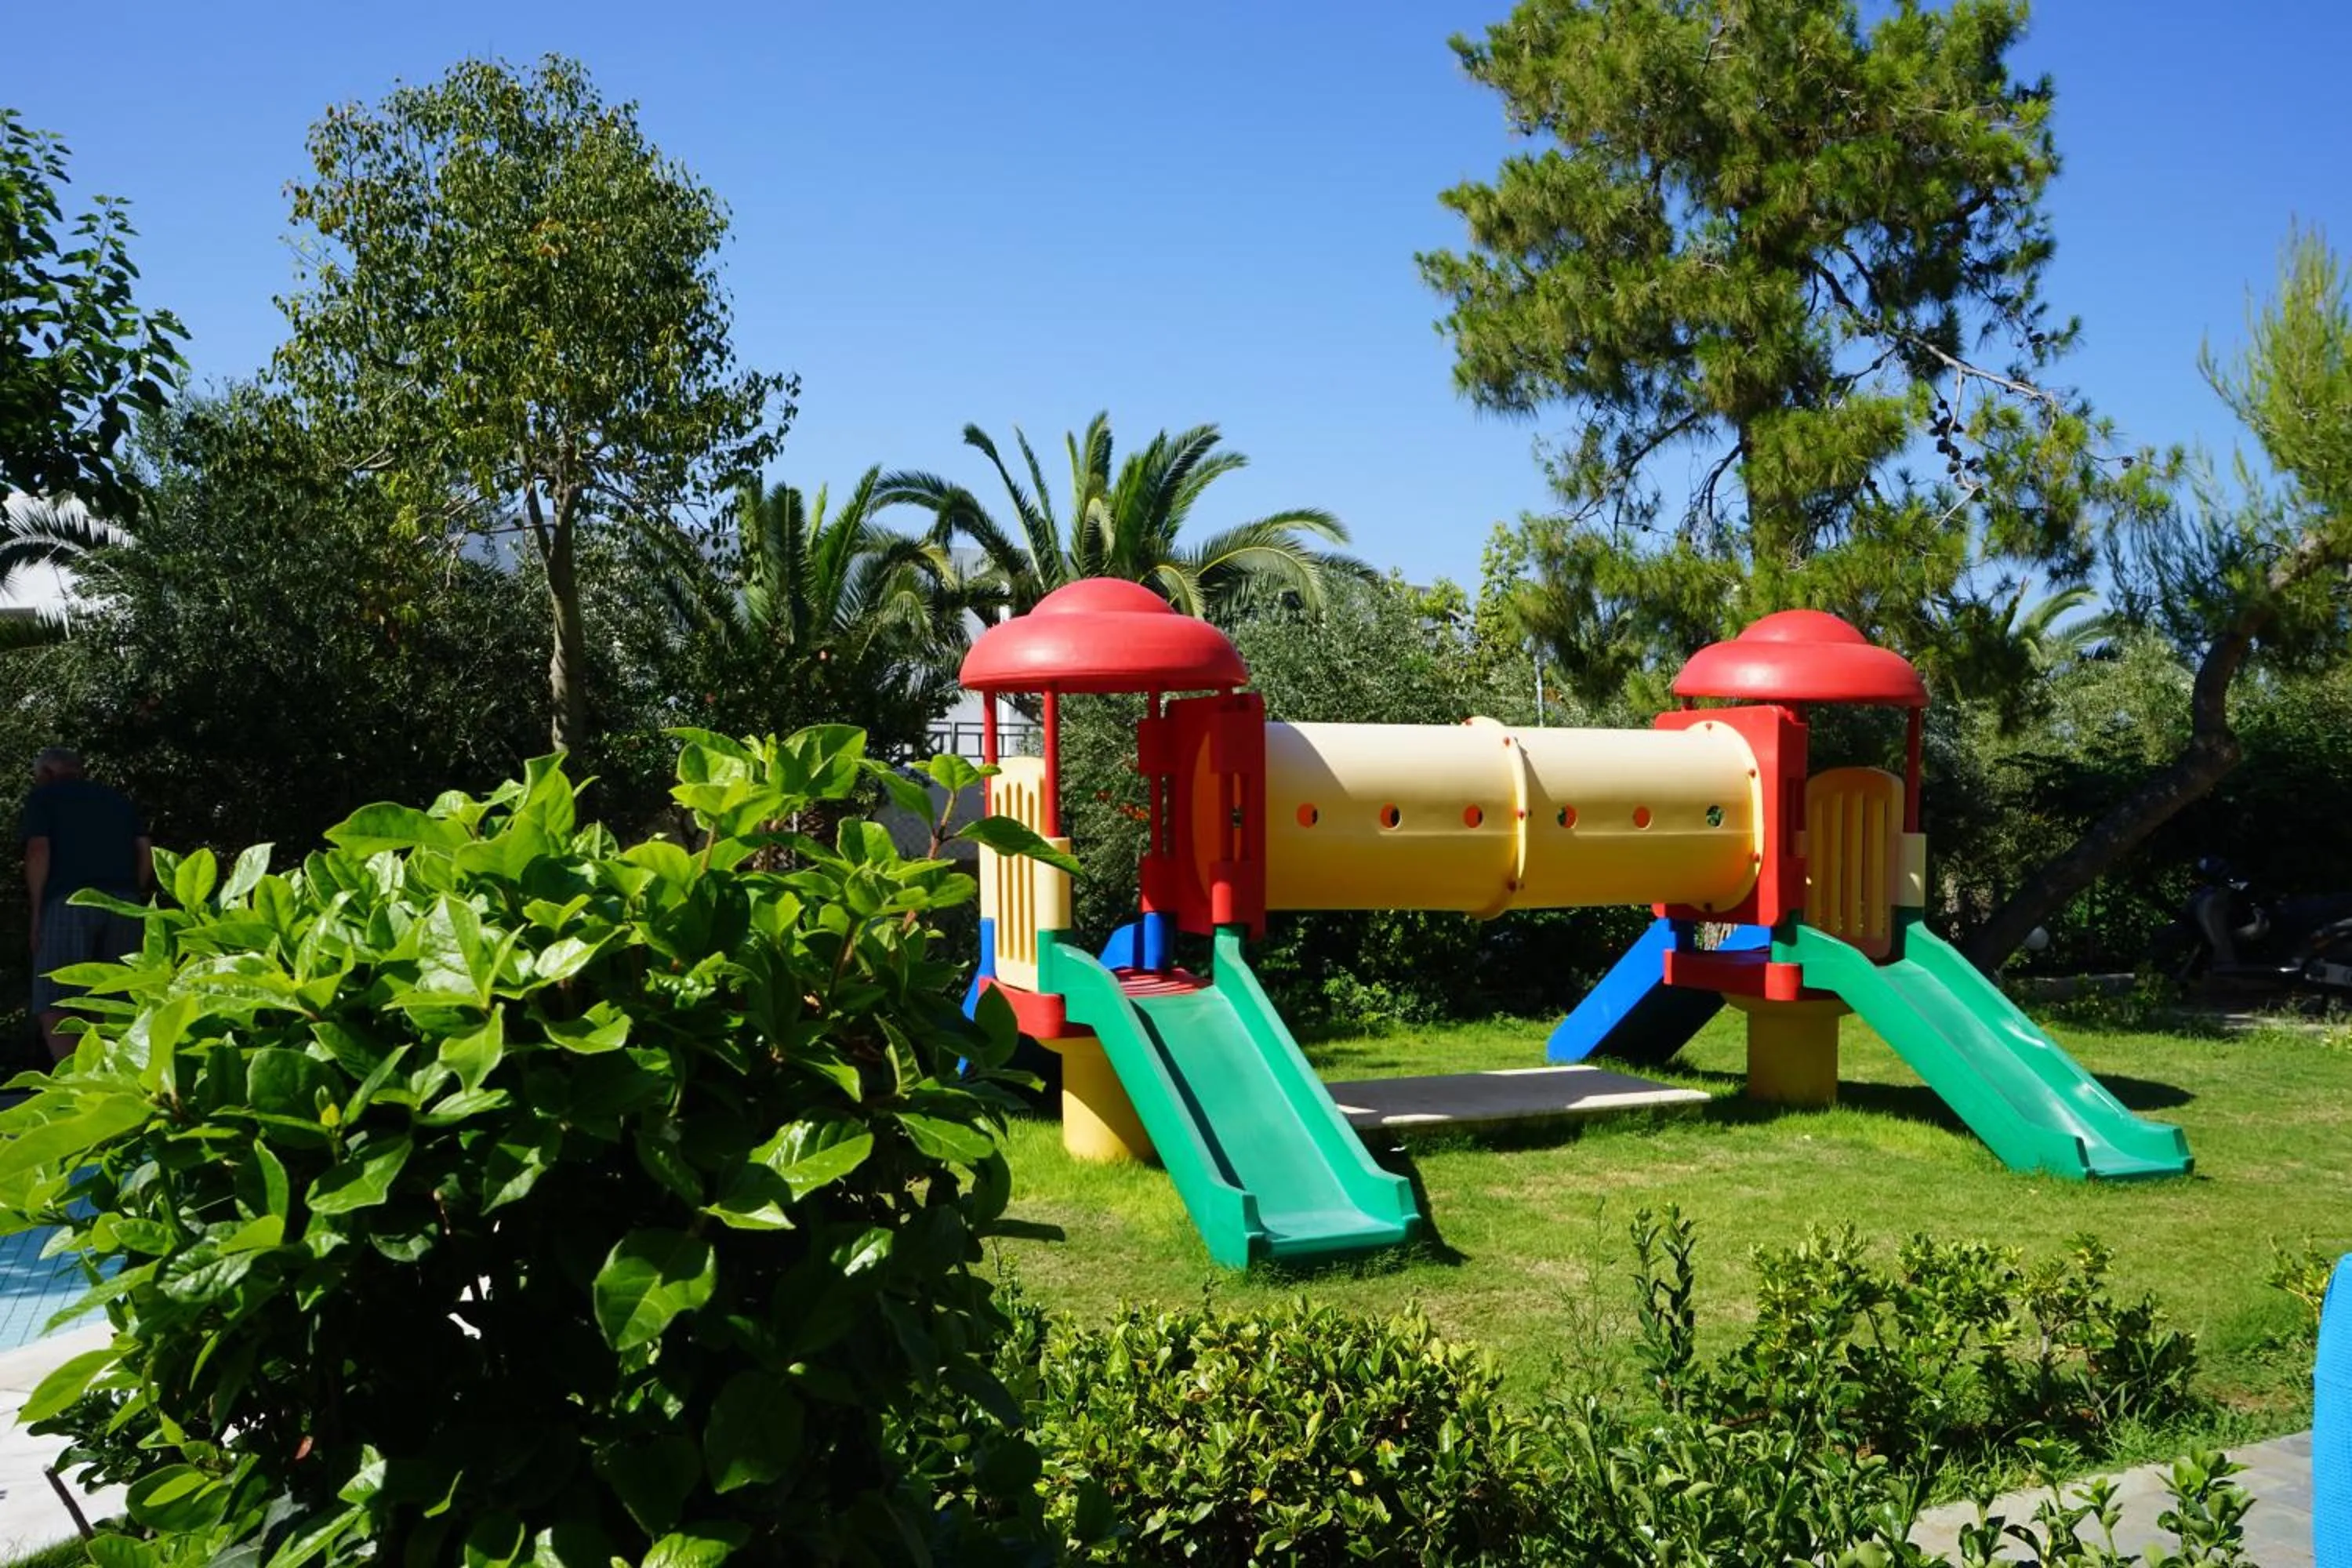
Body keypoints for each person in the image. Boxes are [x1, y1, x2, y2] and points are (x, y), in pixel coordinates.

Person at [21, 748, 151, 1062]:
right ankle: (120, 1078)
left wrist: (37, 914)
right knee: (118, 996)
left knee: (56, 997)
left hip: (69, 902)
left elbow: (39, 850)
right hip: (124, 904)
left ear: (48, 774)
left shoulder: (44, 799)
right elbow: (146, 851)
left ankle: (75, 1083)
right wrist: (135, 896)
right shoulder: (118, 801)